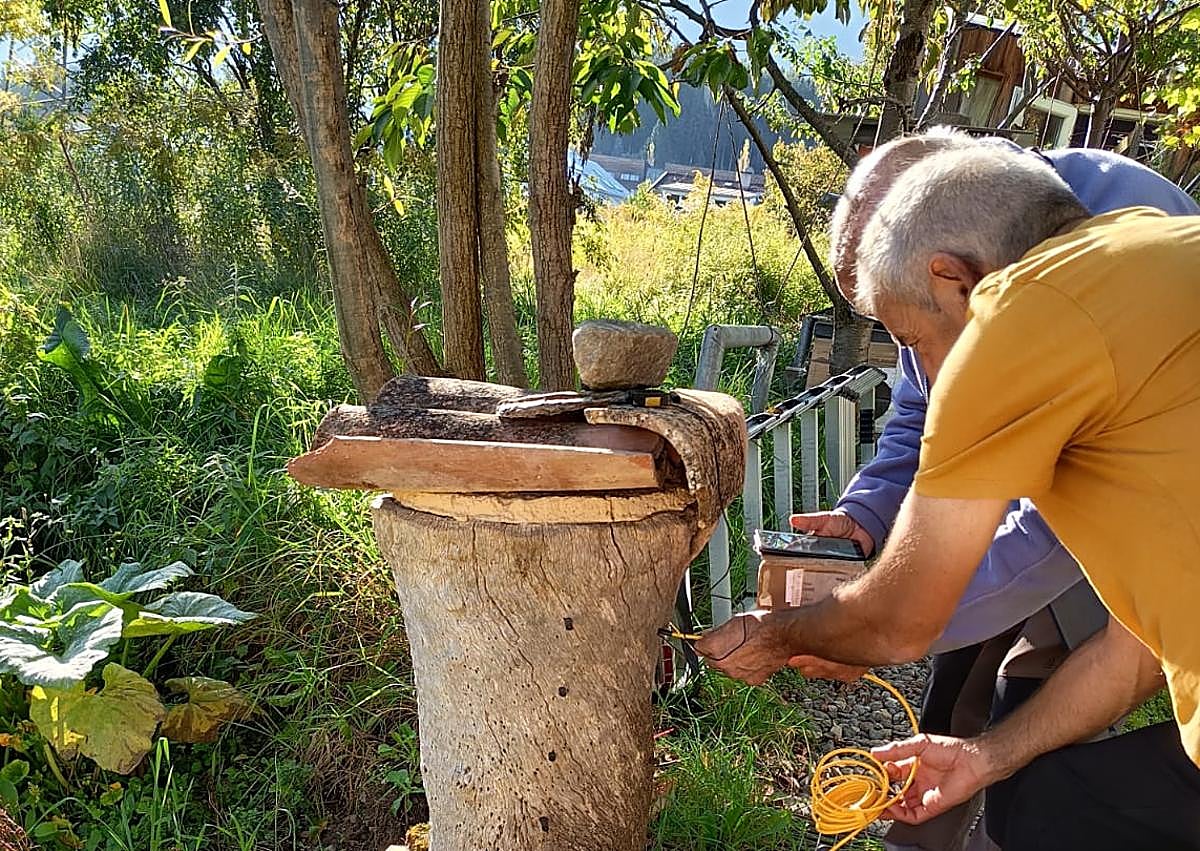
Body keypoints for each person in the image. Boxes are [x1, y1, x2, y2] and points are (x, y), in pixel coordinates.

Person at [696, 144, 1200, 849]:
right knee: (1048, 796)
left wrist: (782, 635)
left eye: (913, 340)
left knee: (1049, 812)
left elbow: (903, 621)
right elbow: (1140, 646)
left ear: (952, 278)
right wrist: (982, 756)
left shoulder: (1014, 324)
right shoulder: (1155, 236)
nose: (931, 380)